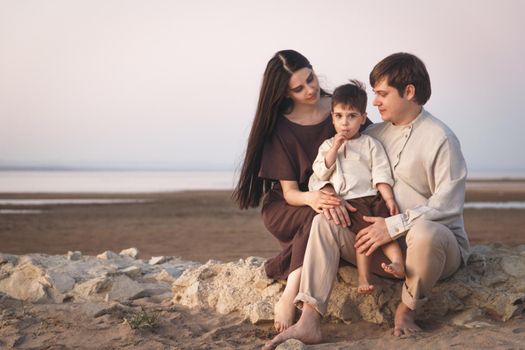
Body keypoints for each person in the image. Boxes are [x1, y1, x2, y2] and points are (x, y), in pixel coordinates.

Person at [264, 52, 470, 349]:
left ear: (409, 92)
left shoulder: (441, 138)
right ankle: (309, 319)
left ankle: (407, 310)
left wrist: (392, 226)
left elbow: (447, 206)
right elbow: (335, 174)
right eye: (374, 94)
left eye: (382, 94)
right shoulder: (371, 134)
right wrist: (328, 197)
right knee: (325, 220)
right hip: (377, 244)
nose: (374, 102)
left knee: (425, 232)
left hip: (434, 249)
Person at [233, 50, 371, 333]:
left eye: (310, 79)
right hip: (290, 204)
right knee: (316, 215)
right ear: (284, 93)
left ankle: (284, 266)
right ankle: (288, 297)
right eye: (298, 88)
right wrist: (315, 198)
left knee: (325, 214)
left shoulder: (342, 108)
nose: (310, 90)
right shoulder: (280, 127)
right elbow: (291, 194)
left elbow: (369, 152)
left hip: (336, 197)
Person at [308, 80, 404, 293]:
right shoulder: (327, 146)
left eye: (352, 116)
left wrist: (388, 198)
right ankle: (363, 278)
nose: (345, 123)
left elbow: (380, 172)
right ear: (332, 117)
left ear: (362, 118)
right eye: (339, 116)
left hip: (372, 197)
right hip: (350, 203)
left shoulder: (370, 144)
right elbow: (321, 172)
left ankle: (398, 263)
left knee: (385, 229)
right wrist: (334, 148)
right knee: (363, 238)